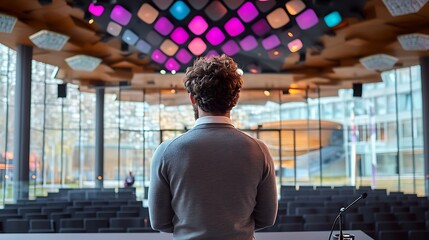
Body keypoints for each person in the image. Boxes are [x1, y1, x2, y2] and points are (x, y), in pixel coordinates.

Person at [148, 55, 278, 240]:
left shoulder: (166, 151)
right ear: (235, 98)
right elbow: (266, 218)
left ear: (193, 99)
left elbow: (159, 222)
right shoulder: (259, 150)